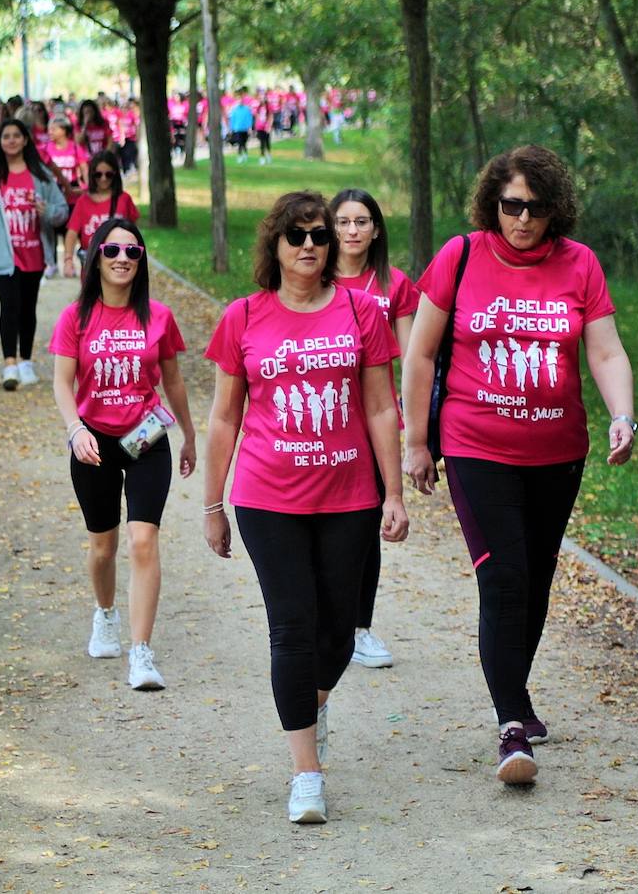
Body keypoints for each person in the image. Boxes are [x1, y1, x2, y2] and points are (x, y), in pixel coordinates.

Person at [400, 145, 636, 786]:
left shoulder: (579, 264)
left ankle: (518, 695)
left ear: (554, 209)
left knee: (533, 579)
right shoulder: (463, 255)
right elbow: (420, 354)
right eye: (512, 206)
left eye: (535, 207)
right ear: (493, 204)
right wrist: (416, 440)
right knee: (503, 578)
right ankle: (510, 728)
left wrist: (623, 415)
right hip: (477, 445)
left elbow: (606, 352)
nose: (523, 219)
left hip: (558, 453)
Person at [203, 191, 409, 823]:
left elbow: (379, 406)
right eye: (298, 236)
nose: (312, 246)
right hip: (269, 500)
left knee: (339, 633)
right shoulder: (243, 317)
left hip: (349, 495)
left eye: (320, 235)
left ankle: (311, 703)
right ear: (276, 246)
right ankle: (306, 775)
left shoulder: (361, 311)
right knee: (291, 628)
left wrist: (394, 492)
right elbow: (223, 417)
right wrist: (212, 504)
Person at [50, 218, 196, 690]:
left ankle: (141, 653)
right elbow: (61, 382)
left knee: (142, 541)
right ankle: (105, 612)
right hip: (94, 443)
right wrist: (75, 430)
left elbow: (172, 381)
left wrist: (190, 435)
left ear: (142, 261)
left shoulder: (158, 316)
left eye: (132, 253)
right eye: (112, 251)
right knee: (103, 547)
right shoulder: (77, 317)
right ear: (96, 257)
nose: (122, 260)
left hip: (146, 439)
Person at [330, 189, 421, 669]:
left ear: (376, 228)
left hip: (376, 420)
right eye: (342, 222)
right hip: (327, 421)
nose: (352, 231)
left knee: (366, 526)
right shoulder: (315, 279)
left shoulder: (395, 284)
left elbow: (410, 359)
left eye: (361, 221)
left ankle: (359, 628)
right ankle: (325, 621)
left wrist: (418, 429)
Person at [0, 118, 69, 390]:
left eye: (16, 135)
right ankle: (9, 364)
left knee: (28, 308)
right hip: (4, 254)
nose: (11, 140)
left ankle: (26, 361)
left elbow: (62, 213)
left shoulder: (41, 175)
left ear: (25, 139)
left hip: (34, 252)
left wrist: (46, 211)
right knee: (9, 306)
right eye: (6, 136)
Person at [63, 151, 140, 278]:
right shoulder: (83, 201)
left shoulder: (124, 199)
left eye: (108, 174)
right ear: (92, 175)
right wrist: (68, 260)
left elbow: (134, 232)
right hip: (91, 266)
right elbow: (72, 232)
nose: (103, 179)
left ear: (115, 174)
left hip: (119, 264)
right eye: (98, 174)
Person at [45, 117, 86, 275]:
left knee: (72, 229)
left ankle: (70, 263)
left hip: (72, 195)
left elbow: (83, 167)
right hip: (53, 195)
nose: (51, 132)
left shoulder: (75, 148)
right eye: (50, 128)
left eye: (54, 128)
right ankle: (52, 263)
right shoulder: (47, 149)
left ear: (64, 130)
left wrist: (86, 186)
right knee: (52, 229)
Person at [228, 91, 254, 164]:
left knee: (244, 142)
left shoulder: (246, 109)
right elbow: (232, 119)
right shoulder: (234, 109)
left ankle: (245, 154)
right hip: (237, 128)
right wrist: (231, 128)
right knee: (240, 143)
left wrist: (249, 127)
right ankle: (240, 155)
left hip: (245, 128)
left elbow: (249, 118)